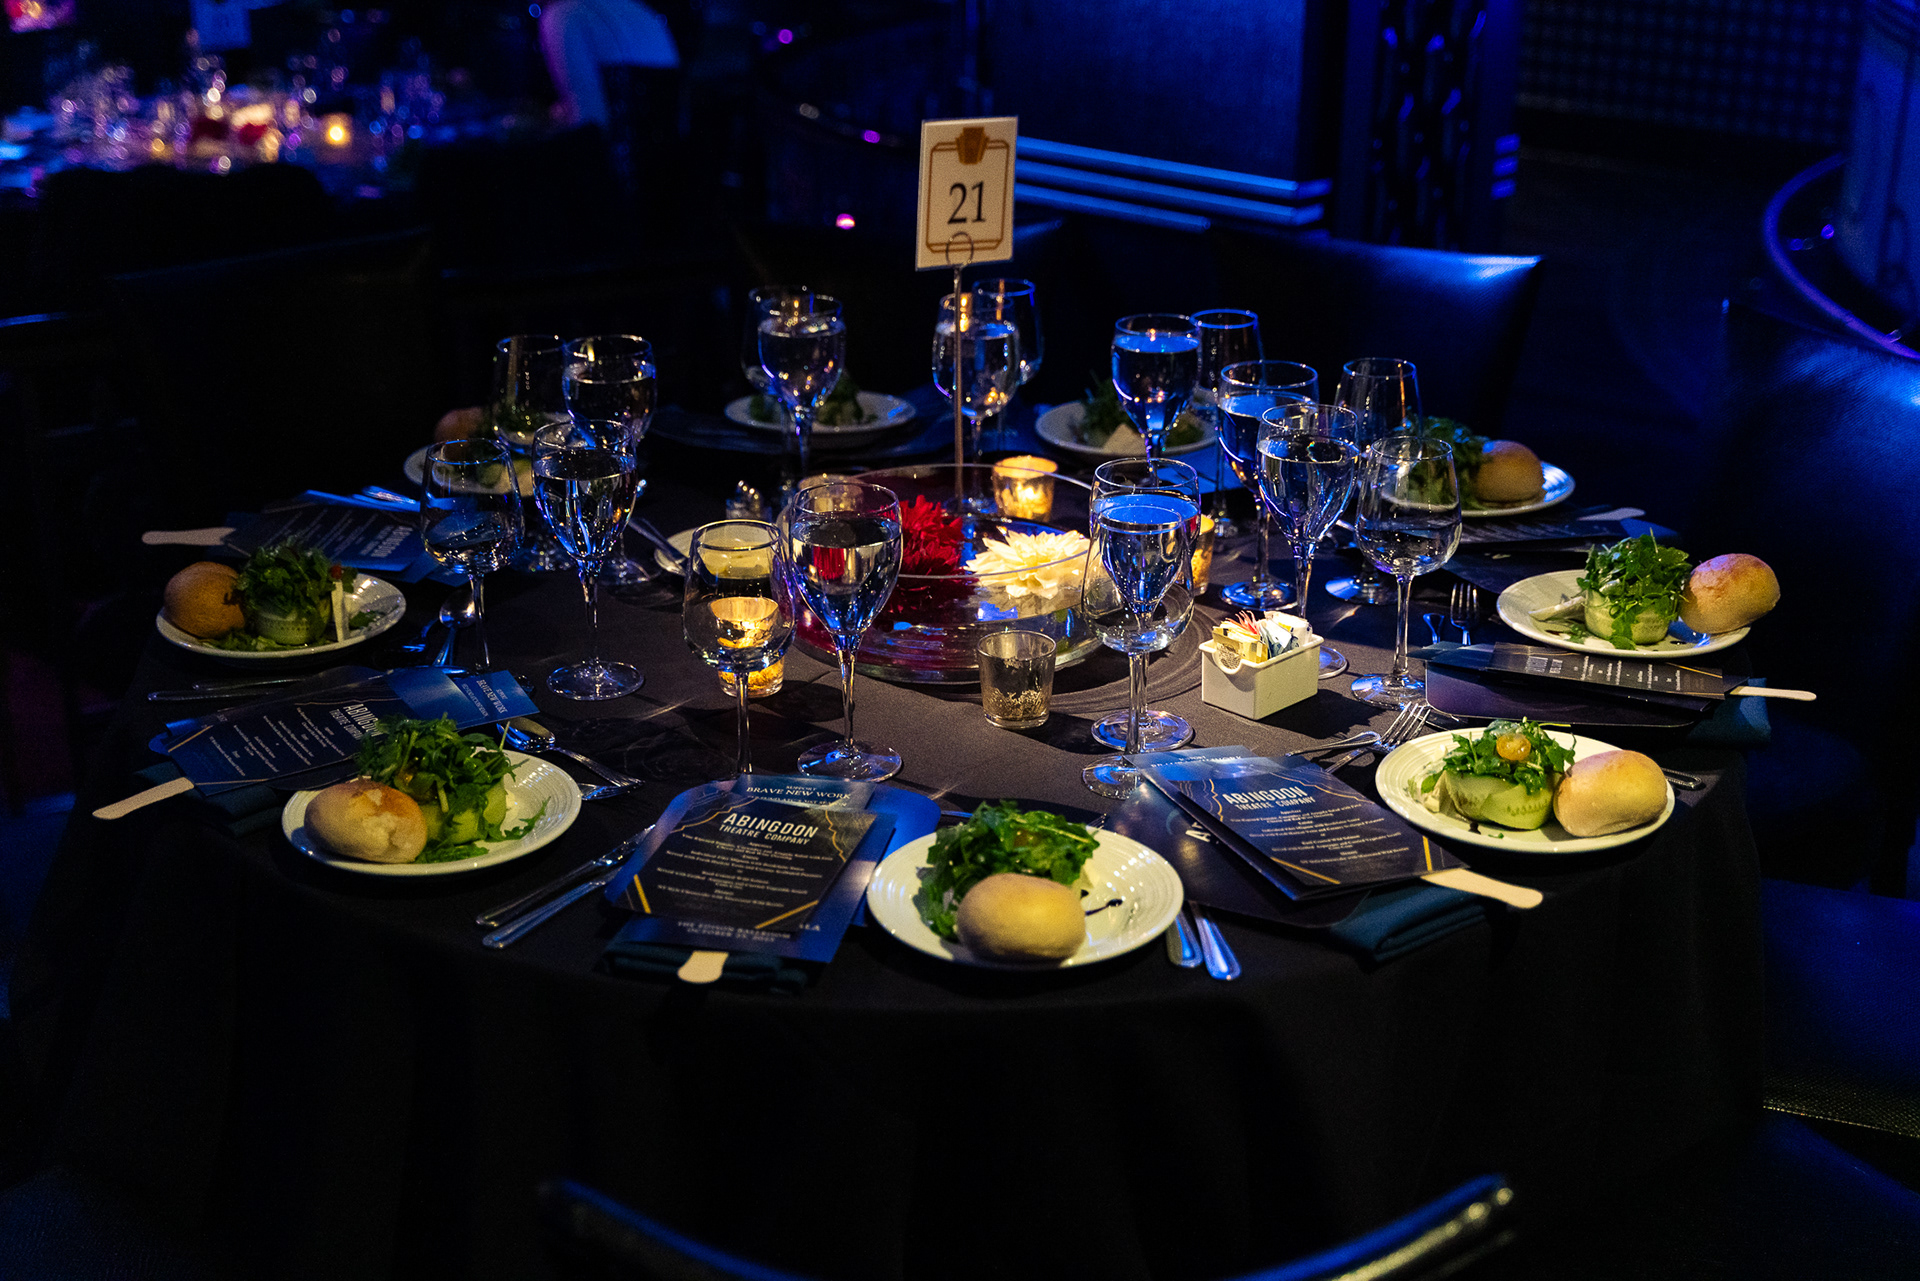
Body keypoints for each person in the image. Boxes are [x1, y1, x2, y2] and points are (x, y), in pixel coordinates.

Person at [538, 0, 678, 129]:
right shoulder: (638, 8)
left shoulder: (561, 16)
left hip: (623, 144)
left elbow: (589, 121)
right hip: (671, 143)